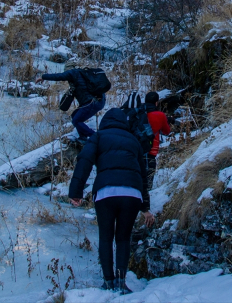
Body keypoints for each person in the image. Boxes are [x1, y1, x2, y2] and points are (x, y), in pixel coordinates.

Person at [68, 108, 156, 294]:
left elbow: (85, 160)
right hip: (132, 194)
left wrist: (76, 192)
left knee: (106, 237)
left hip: (106, 192)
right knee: (124, 238)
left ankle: (108, 282)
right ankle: (121, 283)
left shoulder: (99, 136)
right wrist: (145, 207)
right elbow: (142, 175)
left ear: (105, 122)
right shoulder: (133, 140)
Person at [37, 61, 106, 142]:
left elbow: (59, 76)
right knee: (74, 115)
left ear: (68, 69)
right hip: (99, 101)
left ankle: (96, 138)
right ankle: (83, 137)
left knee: (76, 120)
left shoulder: (73, 73)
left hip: (91, 102)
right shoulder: (82, 73)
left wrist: (43, 77)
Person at [143, 92, 171, 189]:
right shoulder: (160, 115)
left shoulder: (138, 113)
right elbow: (167, 131)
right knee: (148, 180)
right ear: (156, 103)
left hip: (137, 150)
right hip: (151, 151)